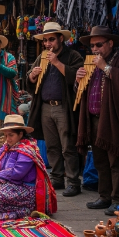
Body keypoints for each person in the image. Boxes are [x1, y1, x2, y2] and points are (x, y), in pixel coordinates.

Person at [74, 26, 119, 216]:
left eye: (99, 45)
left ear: (110, 43)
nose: (94, 49)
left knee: (116, 161)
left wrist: (106, 68)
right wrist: (78, 82)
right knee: (100, 161)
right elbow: (84, 91)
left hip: (113, 118)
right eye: (92, 46)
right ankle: (104, 196)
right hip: (94, 119)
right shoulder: (91, 63)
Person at [27, 22, 83, 197]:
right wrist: (32, 76)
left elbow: (77, 78)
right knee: (51, 146)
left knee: (68, 146)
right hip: (45, 107)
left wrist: (57, 63)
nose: (48, 44)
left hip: (63, 107)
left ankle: (73, 181)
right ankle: (57, 177)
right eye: (45, 40)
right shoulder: (41, 57)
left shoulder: (73, 55)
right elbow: (29, 83)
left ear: (60, 38)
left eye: (51, 39)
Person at [0, 114, 57, 220]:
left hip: (24, 190)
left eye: (11, 135)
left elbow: (17, 174)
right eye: (6, 136)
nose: (8, 139)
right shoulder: (5, 148)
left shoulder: (27, 150)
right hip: (8, 184)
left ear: (20, 134)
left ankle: (22, 210)